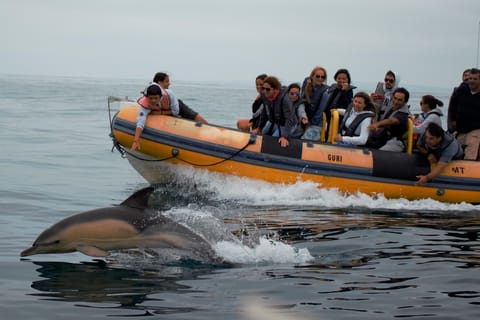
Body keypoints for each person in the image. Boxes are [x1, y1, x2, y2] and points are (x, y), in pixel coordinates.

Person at [447, 68, 480, 160]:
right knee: (455, 146)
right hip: (461, 127)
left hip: (476, 128)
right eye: (470, 78)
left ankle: (470, 163)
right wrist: (453, 120)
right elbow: (453, 105)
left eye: (475, 79)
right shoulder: (462, 89)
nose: (471, 81)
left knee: (472, 144)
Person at [131, 84, 175, 151]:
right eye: (150, 98)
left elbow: (176, 111)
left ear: (160, 97)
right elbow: (141, 121)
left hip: (174, 106)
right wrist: (136, 141)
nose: (153, 101)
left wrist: (160, 113)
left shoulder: (169, 95)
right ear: (146, 97)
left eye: (156, 98)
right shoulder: (146, 104)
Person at [366, 87, 411, 152]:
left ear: (405, 102)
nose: (396, 102)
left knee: (381, 153)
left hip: (397, 141)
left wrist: (377, 125)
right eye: (395, 98)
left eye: (400, 100)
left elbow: (392, 120)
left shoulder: (403, 114)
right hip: (386, 137)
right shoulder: (393, 108)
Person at [260, 76, 299, 148]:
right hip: (275, 122)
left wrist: (284, 136)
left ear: (275, 89)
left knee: (274, 138)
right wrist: (258, 127)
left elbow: (289, 119)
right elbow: (264, 113)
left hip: (287, 124)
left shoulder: (285, 99)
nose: (265, 91)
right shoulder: (265, 96)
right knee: (263, 132)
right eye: (263, 88)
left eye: (268, 89)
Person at [323, 68, 356, 138]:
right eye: (339, 78)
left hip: (338, 118)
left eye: (344, 79)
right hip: (328, 116)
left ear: (348, 80)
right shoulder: (333, 87)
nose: (341, 80)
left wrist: (344, 91)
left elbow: (347, 104)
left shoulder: (349, 90)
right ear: (336, 79)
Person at [299, 66, 329, 140]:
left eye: (323, 77)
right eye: (317, 76)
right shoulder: (306, 85)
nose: (320, 78)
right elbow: (301, 103)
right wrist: (303, 116)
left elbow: (319, 113)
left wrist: (308, 124)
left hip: (315, 123)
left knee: (305, 140)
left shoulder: (325, 93)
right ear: (312, 76)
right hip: (302, 120)